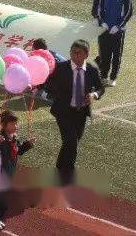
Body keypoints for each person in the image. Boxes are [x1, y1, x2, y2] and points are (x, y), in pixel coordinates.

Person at [45, 39, 104, 185]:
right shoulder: (60, 68)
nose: (75, 56)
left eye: (78, 53)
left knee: (71, 142)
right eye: (72, 52)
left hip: (81, 112)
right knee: (71, 141)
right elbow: (47, 83)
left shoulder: (91, 70)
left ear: (86, 54)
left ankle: (59, 168)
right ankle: (67, 176)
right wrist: (57, 92)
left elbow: (100, 88)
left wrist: (94, 95)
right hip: (63, 111)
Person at [0, 110, 34, 232]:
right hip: (0, 174)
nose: (16, 126)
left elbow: (18, 151)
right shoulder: (0, 138)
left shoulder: (14, 138)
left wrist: (28, 144)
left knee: (4, 198)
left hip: (9, 172)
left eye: (16, 124)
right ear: (4, 125)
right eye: (13, 124)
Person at [95, 0, 131, 86]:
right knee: (105, 54)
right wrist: (102, 22)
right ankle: (104, 75)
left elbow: (128, 13)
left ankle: (113, 77)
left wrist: (118, 26)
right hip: (105, 29)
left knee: (116, 55)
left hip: (117, 31)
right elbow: (99, 10)